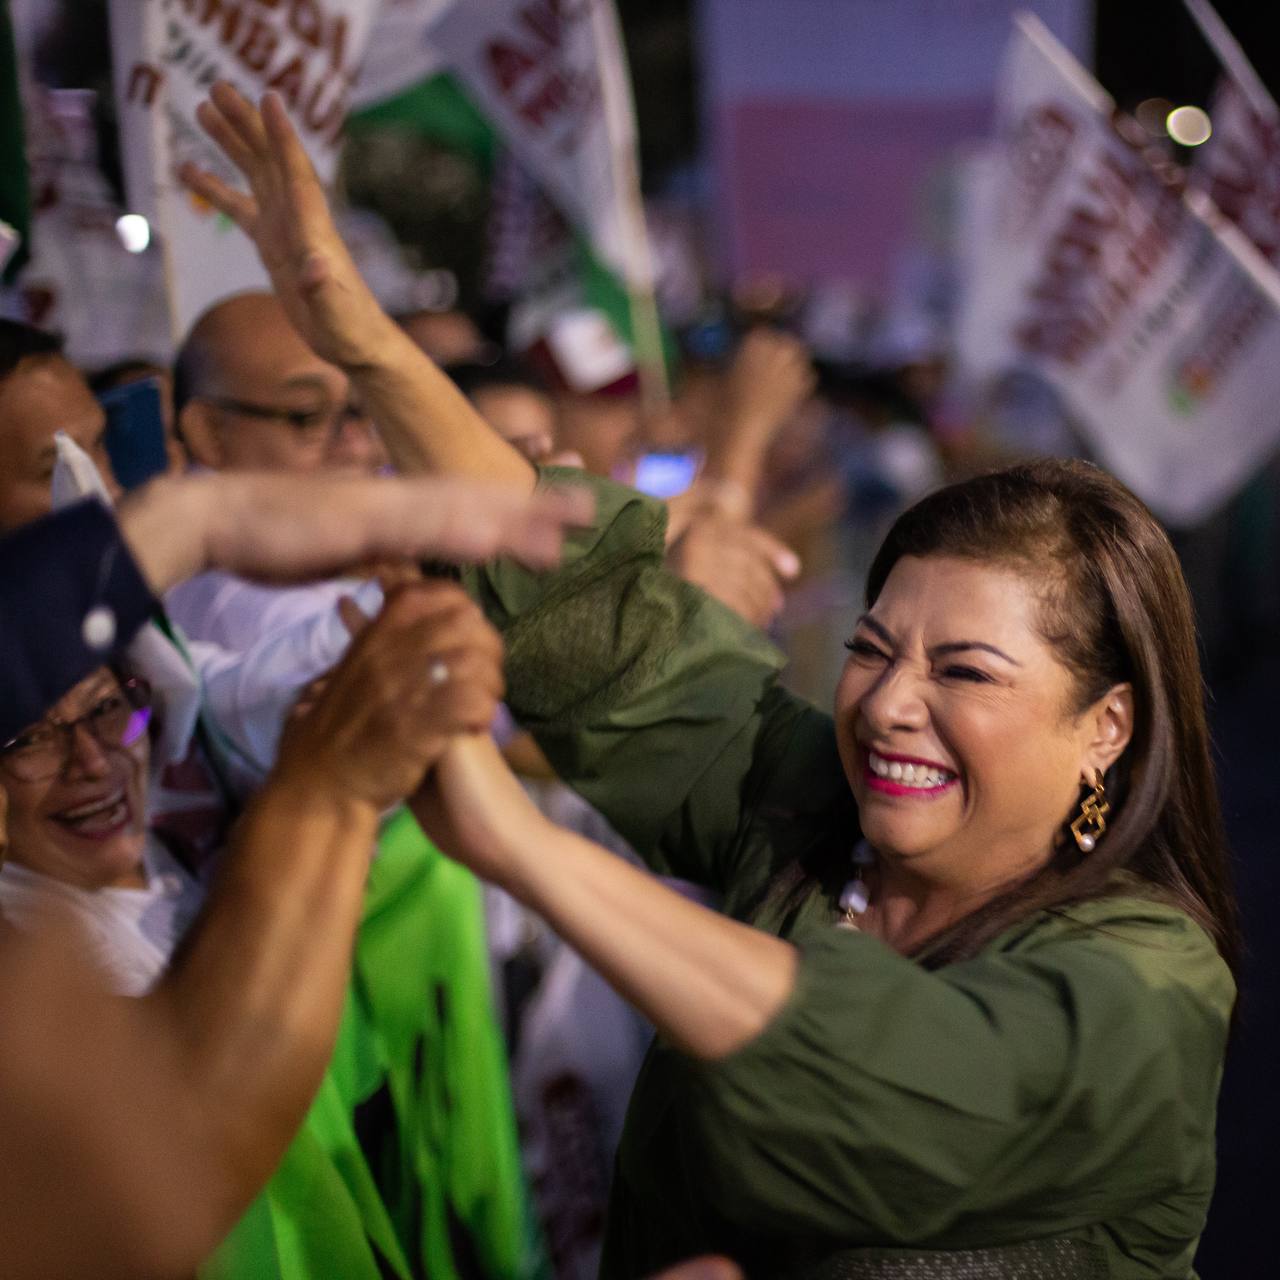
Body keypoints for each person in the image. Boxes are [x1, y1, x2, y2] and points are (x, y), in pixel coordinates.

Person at [187, 84, 1239, 1280]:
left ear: (1106, 723)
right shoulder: (807, 814)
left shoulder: (1147, 981)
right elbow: (583, 604)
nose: (890, 702)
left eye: (964, 669)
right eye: (871, 646)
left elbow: (901, 1092)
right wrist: (361, 340)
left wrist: (523, 848)